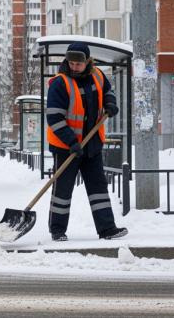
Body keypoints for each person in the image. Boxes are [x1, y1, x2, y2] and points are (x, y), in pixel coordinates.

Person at [45, 42, 128, 241]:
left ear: (88, 62)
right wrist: (71, 141)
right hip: (66, 147)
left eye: (78, 64)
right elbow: (54, 117)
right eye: (71, 63)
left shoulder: (98, 76)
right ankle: (57, 230)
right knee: (62, 190)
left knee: (98, 187)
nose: (74, 67)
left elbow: (108, 91)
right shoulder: (60, 83)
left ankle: (106, 228)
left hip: (92, 145)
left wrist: (110, 103)